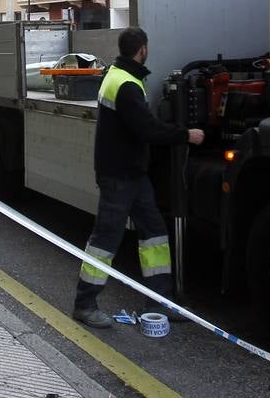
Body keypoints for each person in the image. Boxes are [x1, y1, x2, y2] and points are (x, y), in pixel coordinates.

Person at [72, 27, 204, 329]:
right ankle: (85, 303)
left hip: (131, 174)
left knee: (154, 235)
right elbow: (147, 129)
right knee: (105, 240)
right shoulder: (127, 84)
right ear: (142, 49)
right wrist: (186, 135)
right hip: (120, 176)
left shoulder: (118, 75)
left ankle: (159, 300)